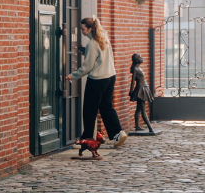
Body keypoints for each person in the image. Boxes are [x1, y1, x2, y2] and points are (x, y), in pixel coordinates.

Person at [65, 17, 127, 148]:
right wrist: (86, 51)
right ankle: (118, 133)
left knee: (89, 109)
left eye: (83, 29)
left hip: (97, 80)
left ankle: (86, 140)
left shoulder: (92, 44)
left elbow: (87, 68)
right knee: (106, 107)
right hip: (110, 77)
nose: (81, 31)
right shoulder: (104, 39)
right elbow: (100, 57)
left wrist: (73, 75)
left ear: (90, 29)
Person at [128, 53, 153, 133]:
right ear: (136, 60)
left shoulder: (139, 68)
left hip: (144, 88)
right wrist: (131, 91)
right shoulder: (136, 69)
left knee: (138, 109)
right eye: (140, 57)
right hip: (140, 89)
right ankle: (150, 128)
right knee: (143, 109)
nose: (142, 58)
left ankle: (137, 126)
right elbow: (133, 81)